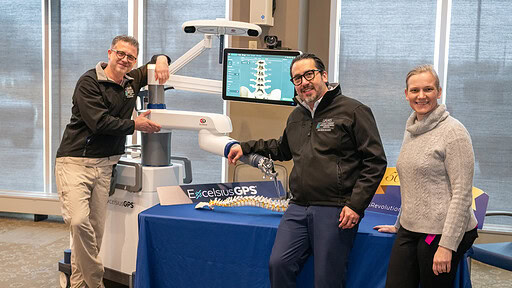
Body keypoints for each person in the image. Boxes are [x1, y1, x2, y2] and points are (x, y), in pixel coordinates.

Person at [227, 53, 387, 287]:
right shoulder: (296, 116)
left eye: (308, 74)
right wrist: (244, 147)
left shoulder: (353, 111)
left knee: (326, 280)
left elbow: (375, 161)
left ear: (323, 75)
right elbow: (282, 149)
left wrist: (355, 205)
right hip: (298, 208)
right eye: (297, 79)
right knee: (278, 264)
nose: (303, 82)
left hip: (335, 209)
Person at [55, 35, 170, 288]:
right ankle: (96, 281)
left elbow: (156, 61)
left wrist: (161, 60)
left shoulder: (131, 81)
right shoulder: (89, 82)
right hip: (75, 162)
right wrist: (135, 124)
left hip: (106, 165)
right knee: (78, 222)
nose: (125, 60)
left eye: (131, 57)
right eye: (121, 54)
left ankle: (78, 285)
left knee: (94, 235)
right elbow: (99, 122)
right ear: (110, 52)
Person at [373, 64, 478, 288]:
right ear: (406, 94)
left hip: (444, 231)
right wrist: (399, 222)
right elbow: (415, 183)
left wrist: (447, 245)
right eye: (415, 90)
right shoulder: (413, 128)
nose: (421, 96)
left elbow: (462, 194)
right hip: (411, 227)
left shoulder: (454, 132)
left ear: (439, 92)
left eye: (428, 89)